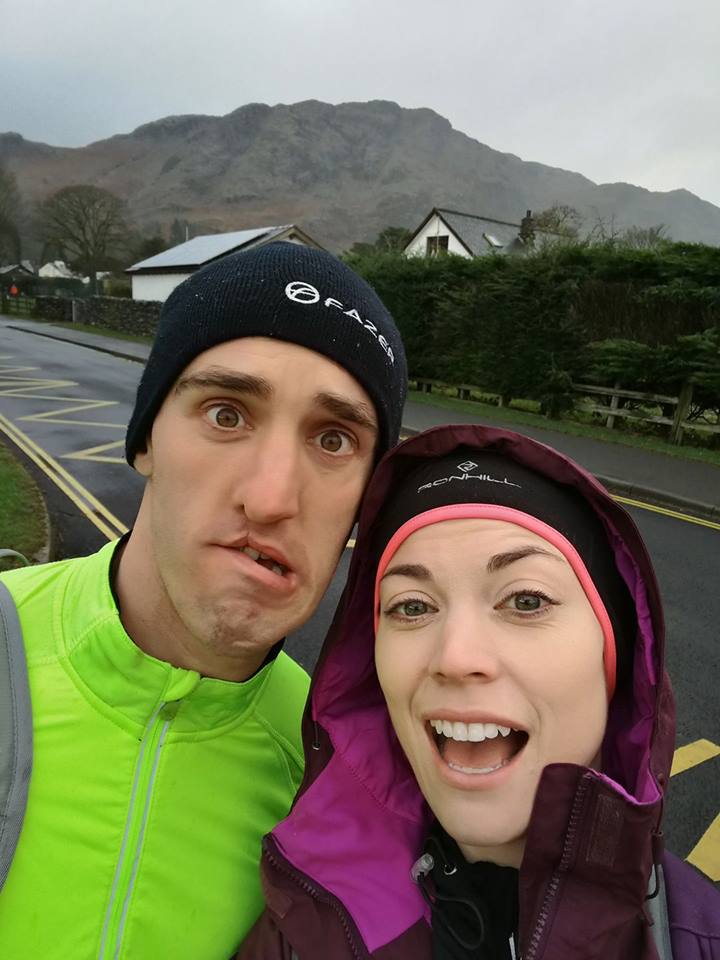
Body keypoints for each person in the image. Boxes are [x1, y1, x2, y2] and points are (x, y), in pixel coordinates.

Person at [0, 241, 408, 959]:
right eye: (226, 414)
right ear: (146, 439)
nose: (272, 498)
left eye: (335, 438)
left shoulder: (333, 785)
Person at [240, 423, 720, 959]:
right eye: (413, 606)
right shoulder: (299, 929)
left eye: (526, 600)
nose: (455, 657)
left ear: (616, 659)